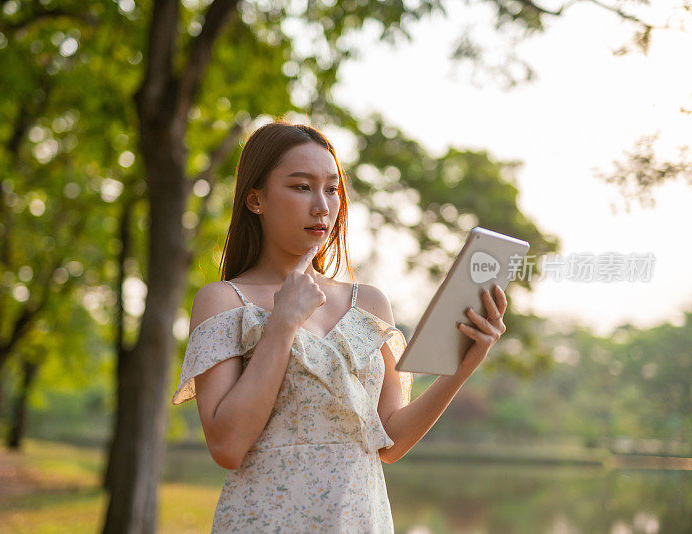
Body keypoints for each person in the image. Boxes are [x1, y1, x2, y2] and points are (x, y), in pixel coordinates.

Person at [171, 120, 508, 533]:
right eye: (301, 187)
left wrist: (464, 364)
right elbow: (227, 446)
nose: (322, 206)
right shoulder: (223, 300)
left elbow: (390, 441)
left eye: (331, 189)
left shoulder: (368, 303)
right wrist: (283, 323)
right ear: (255, 199)